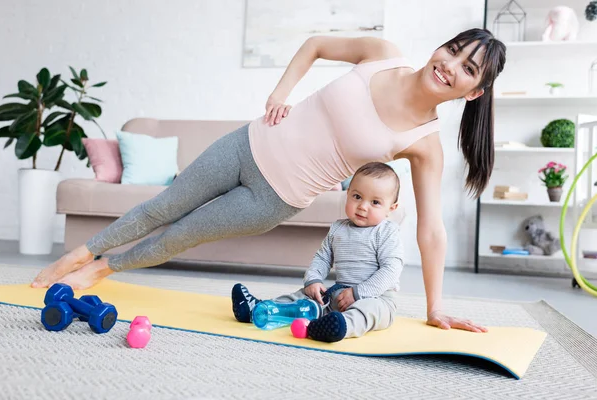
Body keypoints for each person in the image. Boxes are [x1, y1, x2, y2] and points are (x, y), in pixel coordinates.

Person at [31, 28, 506, 334]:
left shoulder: (425, 143)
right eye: (454, 49)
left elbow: (431, 229)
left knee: (179, 236)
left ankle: (103, 268)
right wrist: (281, 92)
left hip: (274, 198)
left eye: (468, 68)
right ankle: (80, 253)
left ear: (475, 91)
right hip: (246, 143)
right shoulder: (382, 55)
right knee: (163, 206)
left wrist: (435, 305)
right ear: (442, 45)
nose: (450, 64)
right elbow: (316, 43)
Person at [232, 162, 404, 342]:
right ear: (347, 194)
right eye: (357, 196)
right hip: (340, 295)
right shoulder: (338, 228)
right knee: (304, 298)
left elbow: (391, 270)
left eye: (375, 202)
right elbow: (322, 258)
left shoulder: (386, 232)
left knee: (368, 311)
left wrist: (358, 293)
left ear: (391, 208)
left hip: (378, 297)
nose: (362, 206)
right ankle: (260, 309)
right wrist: (313, 280)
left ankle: (339, 327)